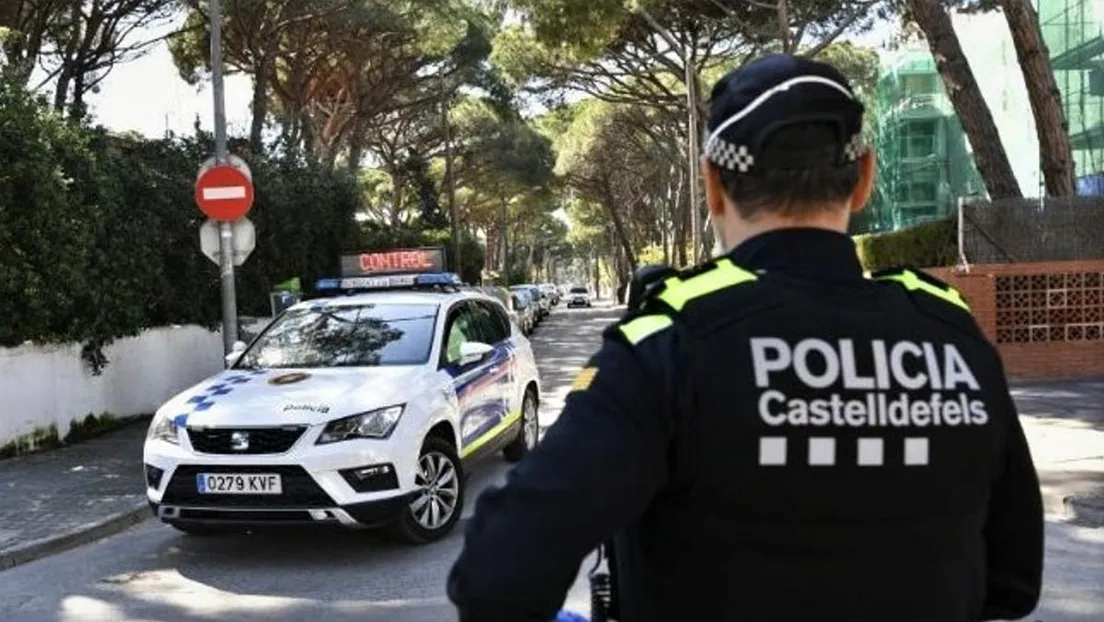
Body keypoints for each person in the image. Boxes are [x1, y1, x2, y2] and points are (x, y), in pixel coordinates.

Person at [446, 54, 1044, 622]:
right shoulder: (953, 336)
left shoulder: (668, 344)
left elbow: (498, 574)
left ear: (712, 186)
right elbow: (1013, 580)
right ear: (863, 179)